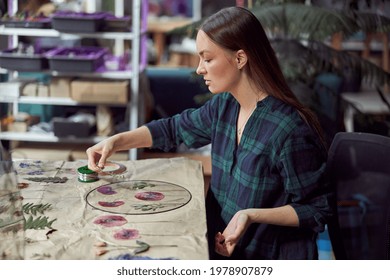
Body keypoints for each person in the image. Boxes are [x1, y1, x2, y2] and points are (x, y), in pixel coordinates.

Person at [86, 6, 333, 260]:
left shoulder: (289, 129)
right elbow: (174, 129)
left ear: (240, 58)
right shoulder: (224, 106)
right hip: (216, 249)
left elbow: (318, 208)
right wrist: (116, 141)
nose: (199, 69)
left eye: (207, 58)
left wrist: (250, 214)